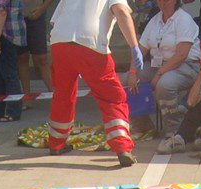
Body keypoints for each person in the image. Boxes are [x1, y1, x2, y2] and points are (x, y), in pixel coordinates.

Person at [48, 0, 140, 165]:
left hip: (60, 40)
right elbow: (121, 12)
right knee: (111, 96)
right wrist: (134, 46)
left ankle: (56, 142)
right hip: (90, 42)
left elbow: (56, 19)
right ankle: (122, 147)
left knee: (63, 93)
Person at [140, 0, 200, 150]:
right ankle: (142, 124)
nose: (162, 2)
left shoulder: (183, 19)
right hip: (159, 65)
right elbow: (140, 49)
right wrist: (133, 72)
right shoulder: (155, 20)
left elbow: (181, 55)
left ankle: (175, 130)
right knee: (128, 79)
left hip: (185, 66)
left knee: (164, 85)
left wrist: (159, 73)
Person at [0, 0, 25, 119]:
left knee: (9, 74)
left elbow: (2, 12)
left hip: (8, 34)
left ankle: (13, 112)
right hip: (13, 33)